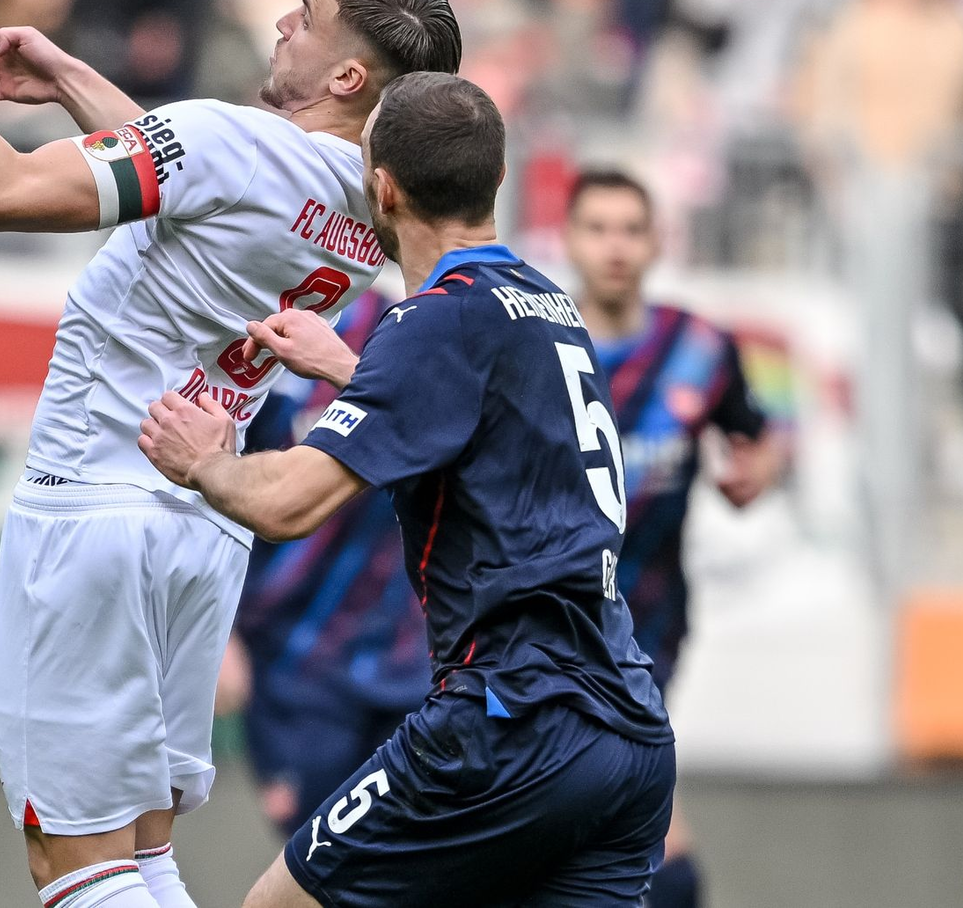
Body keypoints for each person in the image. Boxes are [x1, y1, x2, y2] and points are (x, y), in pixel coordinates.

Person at [0, 0, 462, 908]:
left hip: (91, 510)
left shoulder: (229, 142)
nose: (283, 21)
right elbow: (208, 194)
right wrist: (71, 76)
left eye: (307, 12)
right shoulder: (370, 205)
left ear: (346, 74)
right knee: (143, 856)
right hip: (201, 531)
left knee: (75, 868)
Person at [139, 71, 676, 908]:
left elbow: (287, 502)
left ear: (380, 188)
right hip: (627, 729)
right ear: (496, 179)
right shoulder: (544, 303)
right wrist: (354, 371)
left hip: (507, 721)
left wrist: (203, 460)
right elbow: (482, 436)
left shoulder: (435, 320)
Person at [564, 168, 785, 908]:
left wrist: (759, 468)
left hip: (649, 625)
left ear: (658, 240)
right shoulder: (537, 343)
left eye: (631, 228)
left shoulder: (698, 348)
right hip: (543, 625)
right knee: (627, 831)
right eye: (598, 228)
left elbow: (761, 434)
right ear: (569, 240)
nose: (616, 246)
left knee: (621, 827)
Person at [226, 287, 429, 839]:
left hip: (411, 661)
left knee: (408, 868)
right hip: (296, 664)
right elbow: (207, 479)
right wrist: (217, 633)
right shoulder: (246, 325)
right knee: (314, 860)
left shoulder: (404, 329)